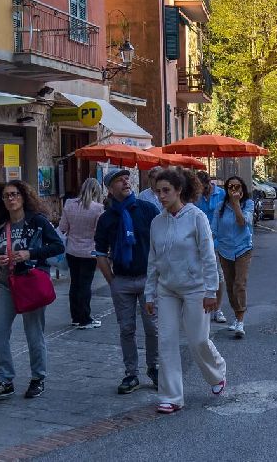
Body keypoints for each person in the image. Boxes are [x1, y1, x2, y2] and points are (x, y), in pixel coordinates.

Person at [144, 167, 227, 414]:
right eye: (158, 191)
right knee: (166, 342)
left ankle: (217, 373)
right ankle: (171, 396)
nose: (161, 196)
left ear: (179, 190)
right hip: (167, 289)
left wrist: (211, 290)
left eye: (166, 190)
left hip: (195, 288)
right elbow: (153, 260)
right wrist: (150, 293)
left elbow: (208, 256)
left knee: (198, 339)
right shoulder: (156, 222)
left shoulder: (196, 217)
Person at [0, 180, 64, 403]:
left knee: (33, 333)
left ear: (23, 196)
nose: (11, 199)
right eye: (6, 196)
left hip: (30, 283)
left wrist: (31, 254)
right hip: (6, 284)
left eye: (15, 194)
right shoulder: (0, 225)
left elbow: (58, 247)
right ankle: (5, 380)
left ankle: (38, 378)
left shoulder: (37, 222)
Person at [94, 169, 161, 394]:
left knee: (153, 327)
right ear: (110, 188)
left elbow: (159, 243)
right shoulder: (107, 218)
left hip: (147, 279)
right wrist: (111, 280)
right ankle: (131, 374)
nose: (125, 181)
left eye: (126, 178)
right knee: (127, 329)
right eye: (119, 180)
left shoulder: (147, 209)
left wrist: (158, 275)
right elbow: (100, 252)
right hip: (121, 280)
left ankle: (155, 368)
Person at [58, 177, 105, 329]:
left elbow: (63, 227)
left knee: (75, 284)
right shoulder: (98, 208)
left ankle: (76, 317)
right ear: (96, 191)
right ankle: (86, 318)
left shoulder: (69, 204)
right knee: (85, 285)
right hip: (89, 251)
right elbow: (99, 232)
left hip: (72, 250)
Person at [212, 176, 254, 339]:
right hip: (225, 250)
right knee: (230, 286)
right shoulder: (220, 208)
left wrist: (236, 204)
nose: (234, 190)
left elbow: (243, 223)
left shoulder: (248, 204)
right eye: (231, 187)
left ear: (243, 188)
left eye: (237, 186)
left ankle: (240, 320)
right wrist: (210, 246)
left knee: (239, 284)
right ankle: (236, 316)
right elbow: (214, 230)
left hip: (243, 249)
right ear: (227, 190)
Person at [194, 171, 228, 324]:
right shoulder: (195, 196)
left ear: (209, 184)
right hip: (198, 241)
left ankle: (217, 309)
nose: (201, 191)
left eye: (203, 187)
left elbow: (226, 217)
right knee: (199, 274)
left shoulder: (221, 194)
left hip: (217, 241)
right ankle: (201, 306)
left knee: (218, 275)